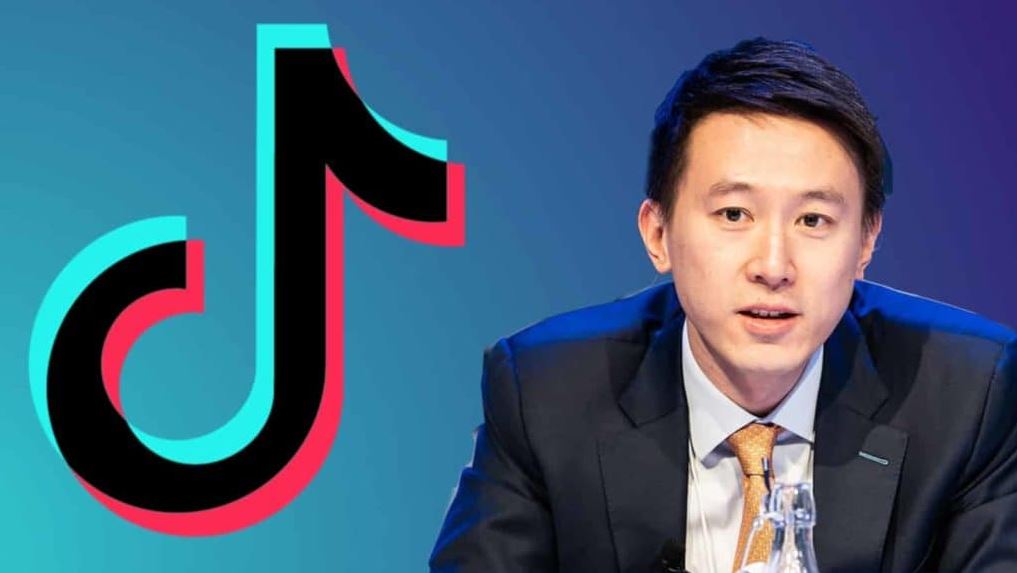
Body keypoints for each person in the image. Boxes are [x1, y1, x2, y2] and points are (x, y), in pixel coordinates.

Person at [429, 38, 1017, 573]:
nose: (773, 266)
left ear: (866, 241)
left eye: (814, 220)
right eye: (734, 214)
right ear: (658, 233)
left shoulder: (969, 395)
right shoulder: (546, 393)